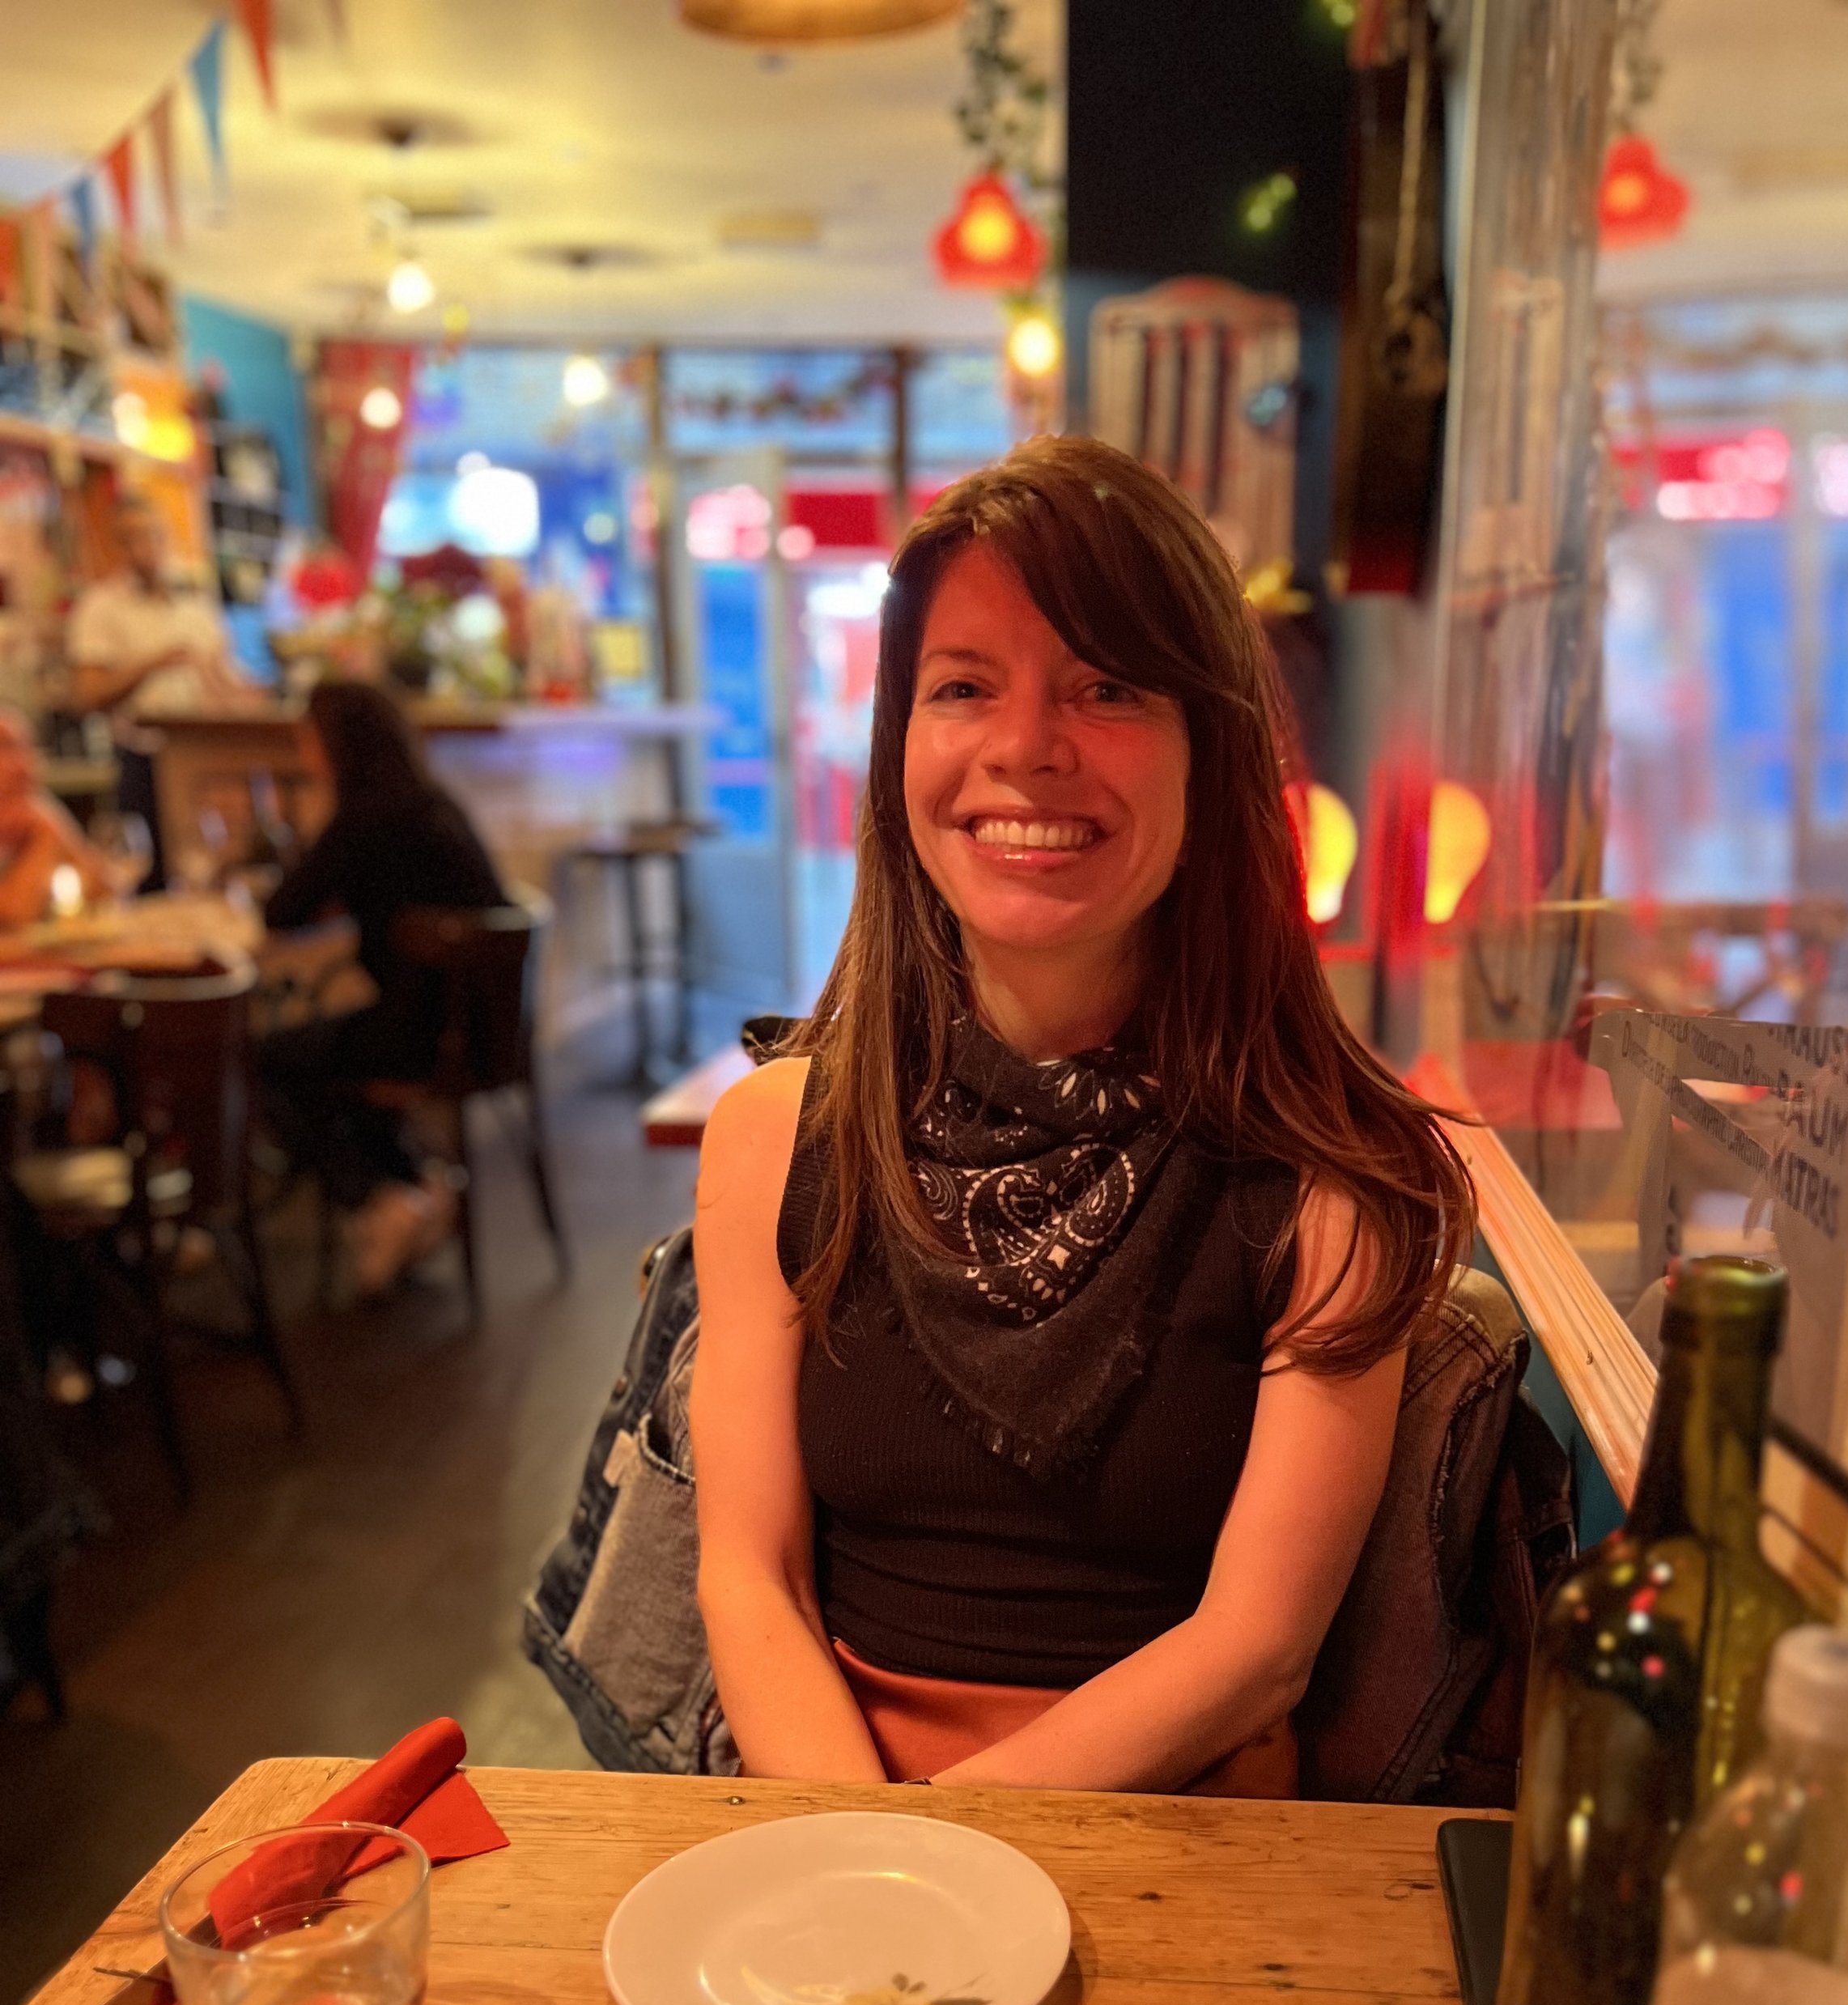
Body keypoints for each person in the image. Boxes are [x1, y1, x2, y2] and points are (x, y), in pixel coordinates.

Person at [690, 437, 1473, 1797]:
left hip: (1177, 1851)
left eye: (1108, 688)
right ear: (898, 750)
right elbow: (748, 1574)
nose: (1024, 751)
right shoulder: (774, 1138)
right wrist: (858, 1852)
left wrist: (939, 1855)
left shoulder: (1336, 1177)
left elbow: (1255, 1651)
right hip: (828, 1816)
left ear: (1208, 750)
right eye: (963, 687)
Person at [259, 680, 509, 1294]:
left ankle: (378, 1197)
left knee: (267, 1059)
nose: (302, 748)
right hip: (488, 1024)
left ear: (335, 745)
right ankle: (413, 1187)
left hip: (425, 1032)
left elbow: (283, 910)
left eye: (308, 737)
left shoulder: (363, 817)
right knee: (328, 1051)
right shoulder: (430, 802)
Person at [66, 492, 255, 886]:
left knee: (219, 867)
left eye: (150, 535)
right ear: (114, 546)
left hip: (207, 755)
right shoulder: (100, 608)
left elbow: (226, 677)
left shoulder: (195, 604)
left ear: (165, 538)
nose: (142, 548)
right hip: (144, 757)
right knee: (154, 878)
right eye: (129, 538)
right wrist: (152, 664)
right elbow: (86, 694)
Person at [0, 712, 121, 928]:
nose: (23, 764)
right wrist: (48, 835)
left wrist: (50, 825)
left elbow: (104, 890)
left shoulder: (32, 814)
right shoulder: (39, 820)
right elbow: (14, 917)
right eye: (4, 748)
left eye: (26, 748)